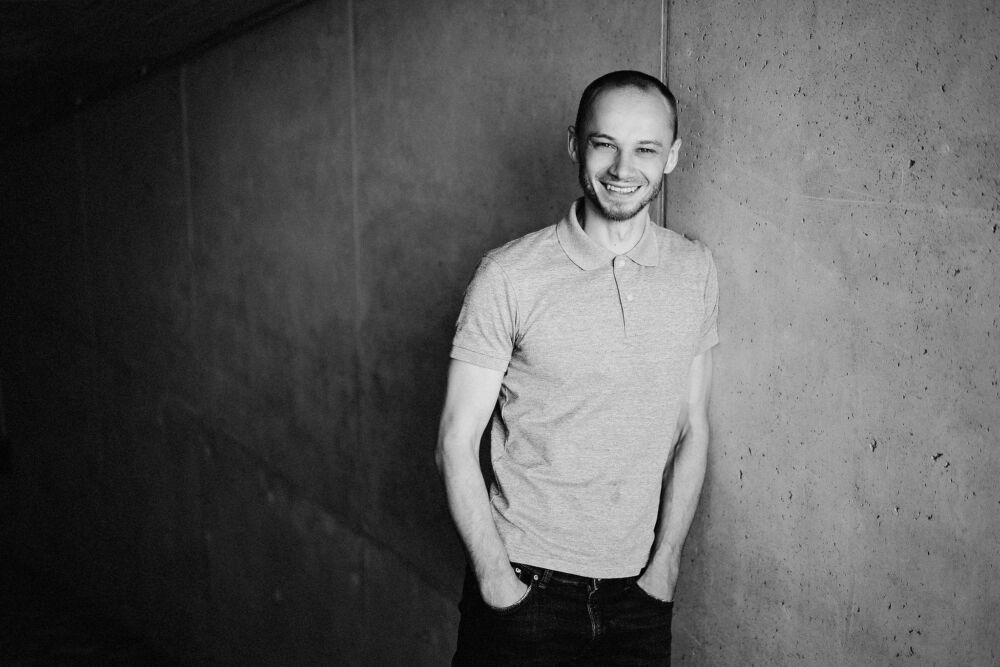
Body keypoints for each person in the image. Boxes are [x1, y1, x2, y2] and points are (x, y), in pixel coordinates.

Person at [436, 70, 719, 665]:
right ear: (574, 144)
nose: (623, 168)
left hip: (639, 599)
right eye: (604, 143)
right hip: (524, 590)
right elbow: (455, 440)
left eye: (646, 149)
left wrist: (665, 564)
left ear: (672, 157)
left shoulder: (694, 270)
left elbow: (693, 425)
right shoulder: (509, 275)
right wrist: (496, 582)